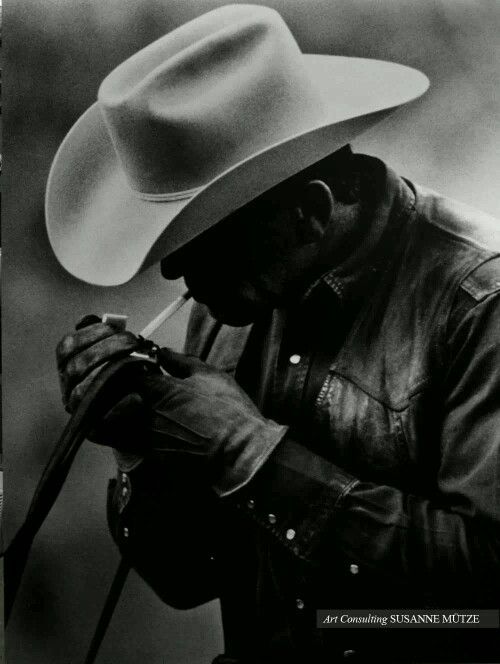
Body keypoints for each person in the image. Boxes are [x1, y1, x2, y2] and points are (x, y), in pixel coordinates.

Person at [50, 5, 500, 663]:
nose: (175, 270)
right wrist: (139, 449)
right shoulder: (231, 300)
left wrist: (246, 451)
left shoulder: (476, 304)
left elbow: (485, 594)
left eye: (199, 241)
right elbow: (188, 578)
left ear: (312, 212)